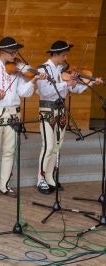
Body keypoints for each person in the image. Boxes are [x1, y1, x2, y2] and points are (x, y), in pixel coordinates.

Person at [0, 37, 46, 199]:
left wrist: (33, 79)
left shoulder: (18, 69)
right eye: (12, 52)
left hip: (14, 113)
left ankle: (5, 185)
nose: (15, 54)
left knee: (9, 151)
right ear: (2, 52)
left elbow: (23, 92)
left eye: (16, 51)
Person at [36, 40, 104, 194]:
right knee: (47, 146)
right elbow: (45, 92)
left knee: (57, 147)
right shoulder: (43, 69)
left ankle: (50, 177)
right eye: (64, 55)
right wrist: (66, 84)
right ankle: (40, 179)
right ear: (56, 54)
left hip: (61, 111)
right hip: (47, 110)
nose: (66, 58)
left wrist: (91, 83)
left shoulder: (63, 70)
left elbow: (77, 89)